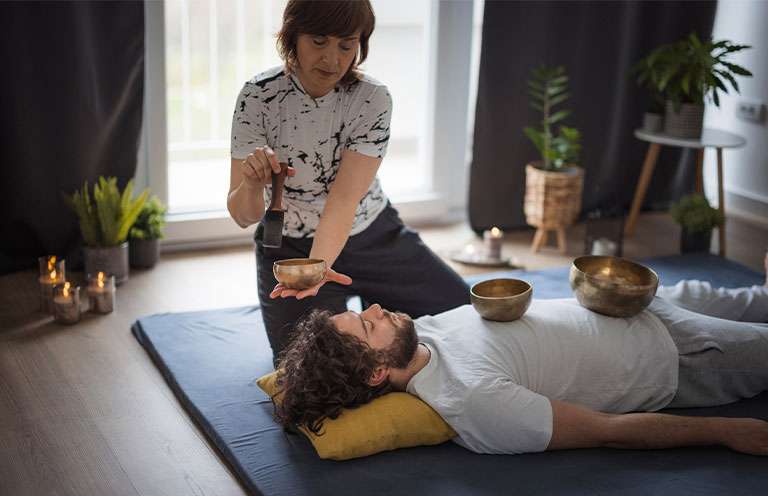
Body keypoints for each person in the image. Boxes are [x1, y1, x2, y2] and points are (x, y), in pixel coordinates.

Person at [272, 266, 768, 456]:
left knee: (756, 294)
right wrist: (726, 431)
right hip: (682, 354)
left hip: (627, 300)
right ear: (379, 372)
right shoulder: (473, 401)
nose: (375, 308)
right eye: (367, 325)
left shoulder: (418, 334)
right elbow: (608, 429)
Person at [228, 0, 468, 360]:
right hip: (292, 248)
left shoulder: (373, 98)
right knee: (307, 363)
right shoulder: (257, 96)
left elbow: (343, 200)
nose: (333, 60)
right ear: (293, 36)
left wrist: (320, 271)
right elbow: (243, 216)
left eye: (346, 45)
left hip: (372, 234)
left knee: (463, 314)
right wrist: (250, 183)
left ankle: (370, 303)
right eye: (319, 41)